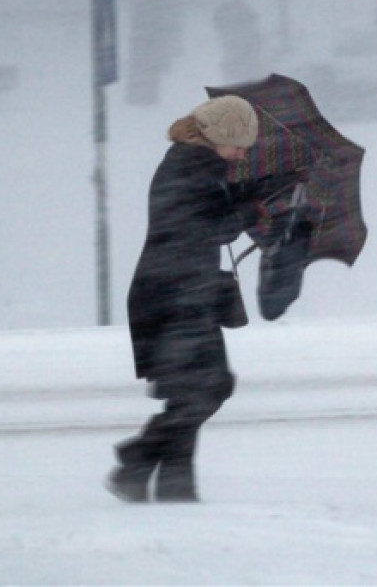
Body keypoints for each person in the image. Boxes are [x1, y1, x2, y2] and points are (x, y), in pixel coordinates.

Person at [106, 95, 262, 503]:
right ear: (218, 135)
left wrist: (245, 196)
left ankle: (172, 489)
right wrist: (250, 208)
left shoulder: (191, 165)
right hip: (175, 295)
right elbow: (215, 228)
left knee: (190, 393)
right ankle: (138, 456)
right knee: (210, 387)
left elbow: (209, 217)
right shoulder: (191, 168)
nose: (243, 152)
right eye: (239, 143)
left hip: (174, 291)